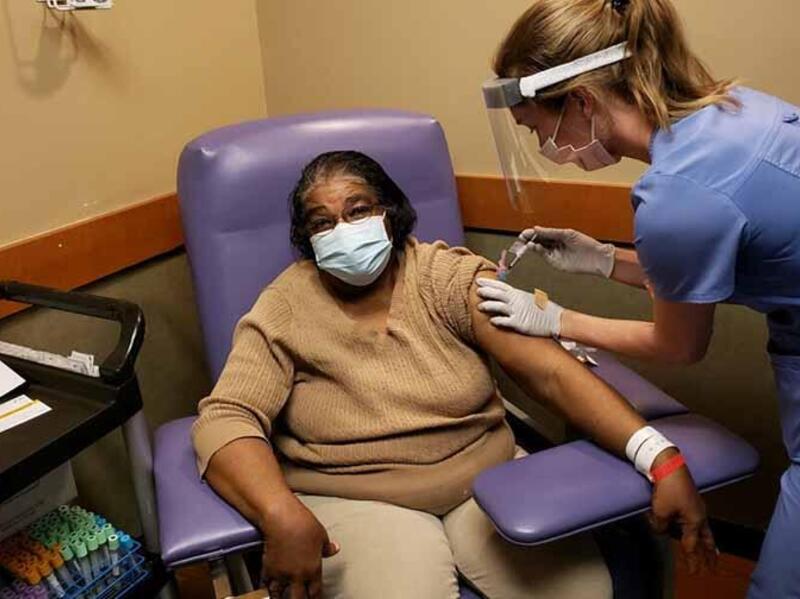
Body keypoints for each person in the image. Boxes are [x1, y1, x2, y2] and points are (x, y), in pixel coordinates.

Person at [191, 151, 711, 599]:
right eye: (322, 223)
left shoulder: (447, 276)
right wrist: (279, 512)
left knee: (589, 593)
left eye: (358, 210)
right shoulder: (286, 306)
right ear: (307, 239)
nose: (342, 231)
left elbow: (548, 372)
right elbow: (226, 418)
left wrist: (658, 457)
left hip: (485, 481)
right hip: (359, 497)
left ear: (390, 215)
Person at [476, 1, 800, 597]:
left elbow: (678, 344)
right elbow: (705, 267)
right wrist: (605, 260)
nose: (545, 145)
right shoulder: (728, 113)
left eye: (537, 128)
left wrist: (553, 318)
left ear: (580, 101)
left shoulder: (676, 195)